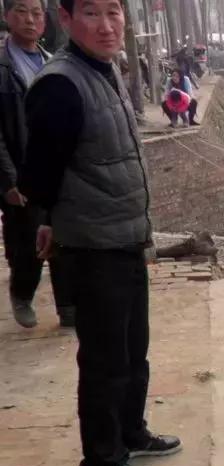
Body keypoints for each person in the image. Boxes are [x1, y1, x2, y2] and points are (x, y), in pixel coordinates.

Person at [19, 0, 180, 466]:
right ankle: (103, 465)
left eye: (114, 12)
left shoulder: (103, 70)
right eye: (92, 13)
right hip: (93, 247)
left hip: (125, 237)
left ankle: (131, 432)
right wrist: (52, 222)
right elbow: (38, 176)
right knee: (106, 361)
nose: (107, 25)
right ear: (65, 20)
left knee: (134, 350)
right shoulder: (61, 85)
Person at [0, 0, 73, 328]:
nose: (30, 20)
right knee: (27, 242)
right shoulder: (3, 69)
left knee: (64, 235)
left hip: (55, 170)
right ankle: (21, 292)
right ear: (6, 17)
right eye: (21, 11)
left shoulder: (52, 62)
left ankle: (68, 308)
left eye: (36, 13)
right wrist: (8, 179)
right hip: (20, 171)